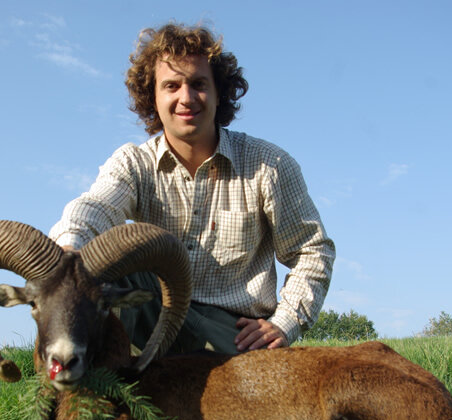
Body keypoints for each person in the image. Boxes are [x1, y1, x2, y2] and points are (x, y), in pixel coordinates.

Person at [49, 23, 335, 355]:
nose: (186, 98)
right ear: (153, 96)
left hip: (232, 334)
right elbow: (95, 208)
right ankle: (90, 377)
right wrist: (67, 253)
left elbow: (312, 250)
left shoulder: (268, 165)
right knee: (100, 266)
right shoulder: (133, 162)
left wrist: (285, 322)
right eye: (171, 85)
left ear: (219, 93)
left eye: (198, 84)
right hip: (153, 316)